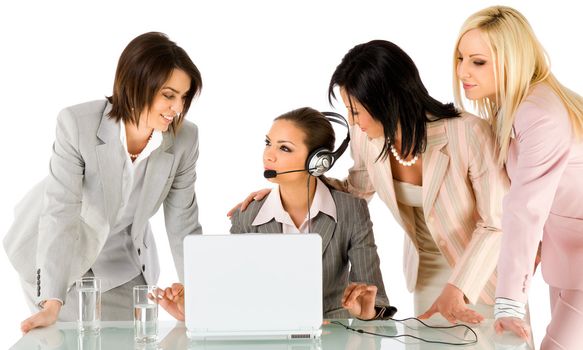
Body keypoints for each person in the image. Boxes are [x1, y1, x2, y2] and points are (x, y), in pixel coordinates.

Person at [232, 40, 509, 324]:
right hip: (426, 271)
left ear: (387, 101)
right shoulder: (367, 136)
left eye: (356, 110)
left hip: (484, 272)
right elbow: (357, 191)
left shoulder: (468, 133)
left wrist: (458, 287)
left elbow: (497, 221)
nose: (353, 121)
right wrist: (290, 190)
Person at [3, 32, 203, 332]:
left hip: (123, 254)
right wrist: (52, 301)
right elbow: (61, 212)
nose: (177, 107)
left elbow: (183, 224)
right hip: (59, 251)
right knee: (73, 337)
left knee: (134, 337)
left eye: (184, 97)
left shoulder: (184, 138)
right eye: (168, 95)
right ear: (136, 84)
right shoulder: (77, 124)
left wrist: (202, 298)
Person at [159, 107, 395, 320]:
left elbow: (376, 296)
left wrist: (367, 312)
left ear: (319, 162)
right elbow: (234, 297)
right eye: (268, 143)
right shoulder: (247, 217)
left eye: (284, 148)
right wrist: (194, 311)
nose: (268, 155)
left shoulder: (351, 210)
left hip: (334, 337)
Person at [454, 6, 583, 348]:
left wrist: (509, 304)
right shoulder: (517, 107)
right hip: (567, 260)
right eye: (461, 57)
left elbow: (525, 208)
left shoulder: (540, 114)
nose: (463, 70)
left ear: (512, 60)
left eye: (477, 61)